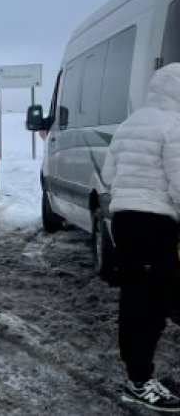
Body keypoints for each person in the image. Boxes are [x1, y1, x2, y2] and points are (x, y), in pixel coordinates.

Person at [101, 63, 180, 411]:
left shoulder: (129, 124)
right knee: (152, 304)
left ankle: (137, 375)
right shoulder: (174, 126)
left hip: (124, 220)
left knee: (134, 299)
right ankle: (139, 382)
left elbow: (107, 174)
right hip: (155, 223)